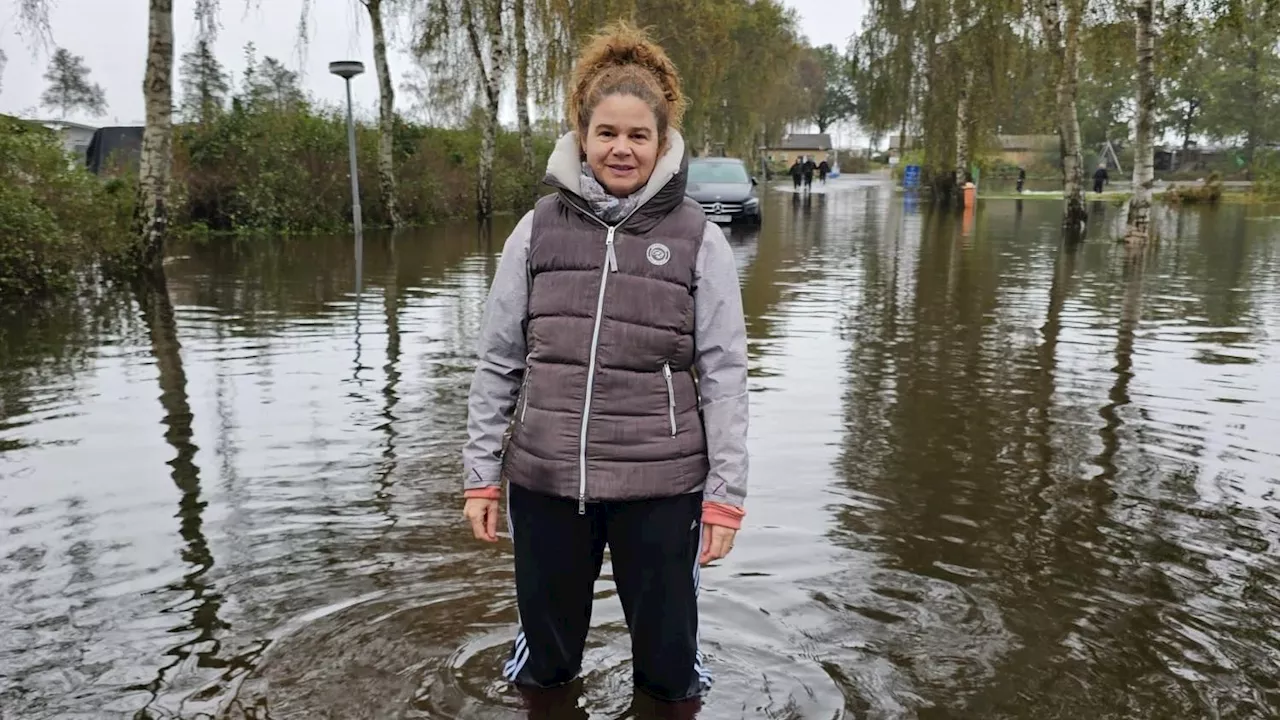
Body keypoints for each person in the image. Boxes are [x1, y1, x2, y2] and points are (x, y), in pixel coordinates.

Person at [461, 21, 750, 707]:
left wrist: (725, 497)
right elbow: (498, 360)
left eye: (638, 134)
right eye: (607, 133)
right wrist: (481, 476)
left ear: (662, 140)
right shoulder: (536, 229)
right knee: (545, 670)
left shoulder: (698, 240)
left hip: (662, 487)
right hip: (547, 482)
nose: (622, 148)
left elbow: (724, 376)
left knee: (670, 673)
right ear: (582, 137)